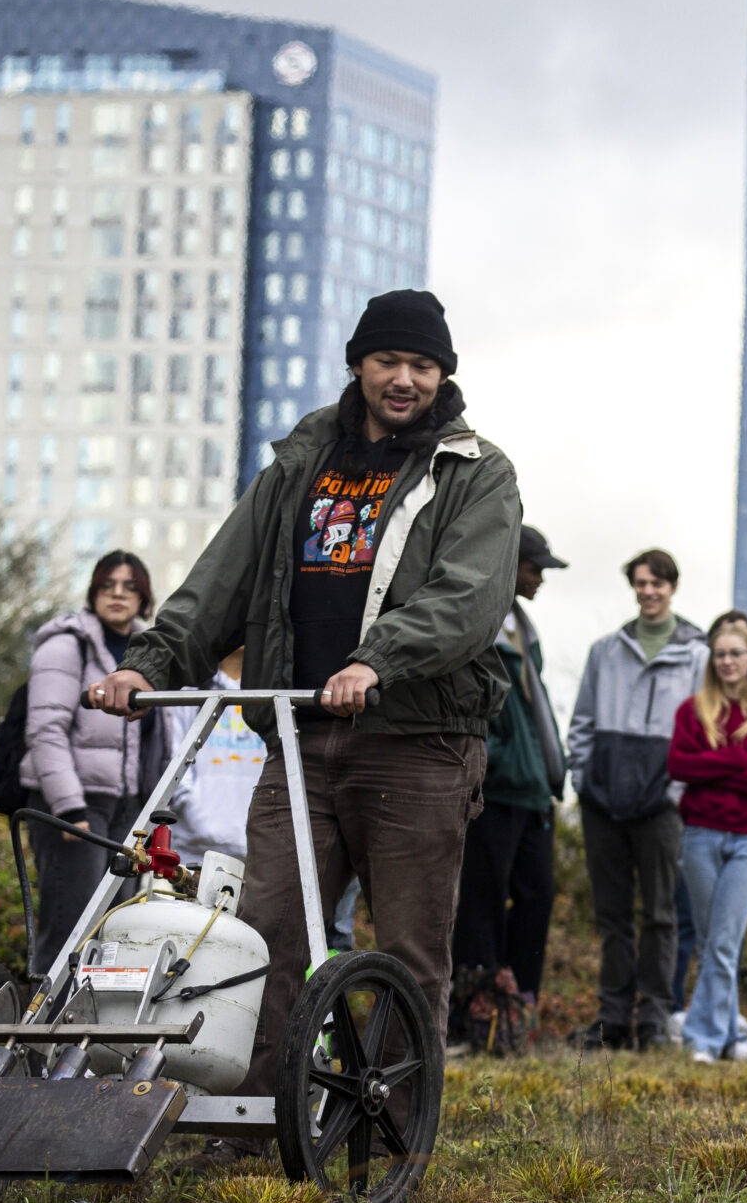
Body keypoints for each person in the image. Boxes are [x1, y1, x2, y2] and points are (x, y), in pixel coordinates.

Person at [96, 288, 521, 1095]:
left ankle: (392, 1125)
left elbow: (468, 600)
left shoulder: (475, 473)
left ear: (443, 374)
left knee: (406, 950)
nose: (404, 379)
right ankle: (256, 1115)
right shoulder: (300, 464)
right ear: (358, 363)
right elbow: (220, 579)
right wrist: (146, 665)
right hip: (297, 737)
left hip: (417, 743)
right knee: (269, 935)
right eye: (388, 360)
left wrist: (377, 660)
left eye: (422, 365)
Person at [565, 549, 705, 1051]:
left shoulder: (697, 653)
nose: (648, 591)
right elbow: (581, 722)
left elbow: (704, 729)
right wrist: (583, 778)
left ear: (672, 586)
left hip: (662, 807)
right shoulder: (606, 650)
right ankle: (613, 1020)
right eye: (641, 583)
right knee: (613, 916)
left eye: (657, 583)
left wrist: (675, 791)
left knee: (661, 914)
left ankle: (654, 1018)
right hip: (603, 803)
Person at [21, 551, 166, 966]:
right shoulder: (67, 645)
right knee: (71, 927)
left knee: (120, 927)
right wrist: (69, 807)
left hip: (129, 809)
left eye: (129, 587)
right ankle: (47, 1025)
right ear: (93, 592)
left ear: (144, 598)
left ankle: (96, 1029)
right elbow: (45, 729)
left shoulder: (150, 653)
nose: (118, 594)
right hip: (75, 804)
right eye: (108, 585)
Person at [453, 526, 568, 1013]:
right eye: (534, 567)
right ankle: (477, 1010)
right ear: (510, 564)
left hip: (535, 793)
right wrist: (493, 760)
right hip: (495, 791)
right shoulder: (479, 622)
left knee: (536, 899)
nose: (540, 578)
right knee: (481, 904)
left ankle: (519, 1003)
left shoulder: (525, 627)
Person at [668, 610, 747, 1065]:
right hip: (701, 835)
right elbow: (679, 767)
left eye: (736, 653)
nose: (728, 662)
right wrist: (737, 759)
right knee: (713, 939)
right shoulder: (691, 711)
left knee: (722, 940)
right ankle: (731, 1038)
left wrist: (712, 764)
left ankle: (702, 1039)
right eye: (720, 654)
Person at [158, 647, 265, 867]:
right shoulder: (191, 689)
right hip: (193, 848)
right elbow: (173, 755)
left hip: (260, 847)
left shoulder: (273, 689)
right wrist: (192, 808)